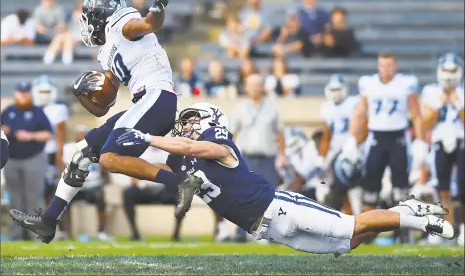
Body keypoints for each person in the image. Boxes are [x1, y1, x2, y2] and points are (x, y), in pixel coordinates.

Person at [115, 102, 454, 256]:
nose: (184, 124)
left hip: (280, 208)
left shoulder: (219, 145)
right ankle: (402, 209)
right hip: (266, 230)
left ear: (210, 120)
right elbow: (149, 164)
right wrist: (115, 148)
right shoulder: (180, 157)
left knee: (348, 226)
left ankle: (415, 219)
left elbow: (190, 144)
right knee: (348, 243)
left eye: (192, 119)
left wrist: (147, 139)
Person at [10, 0, 181, 244]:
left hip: (157, 98)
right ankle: (48, 221)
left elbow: (147, 24)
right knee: (81, 154)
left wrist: (157, 8)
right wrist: (83, 94)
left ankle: (180, 182)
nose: (88, 24)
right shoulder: (105, 51)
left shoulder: (122, 24)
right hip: (144, 103)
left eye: (89, 17)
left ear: (101, 16)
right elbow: (104, 106)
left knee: (110, 159)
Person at [343, 53, 429, 213]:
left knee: (400, 187)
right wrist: (352, 138)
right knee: (370, 185)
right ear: (378, 66)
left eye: (389, 65)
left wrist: (421, 141)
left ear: (395, 65)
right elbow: (360, 113)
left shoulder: (405, 83)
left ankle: (402, 231)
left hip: (398, 138)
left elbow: (416, 115)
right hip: (376, 138)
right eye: (382, 65)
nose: (386, 69)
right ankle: (368, 231)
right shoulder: (369, 84)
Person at [421, 53, 464, 244]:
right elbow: (425, 123)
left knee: (462, 189)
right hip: (439, 142)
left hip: (462, 142)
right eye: (446, 70)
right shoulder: (430, 91)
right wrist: (439, 103)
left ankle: (462, 229)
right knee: (442, 189)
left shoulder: (462, 92)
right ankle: (444, 229)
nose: (448, 75)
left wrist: (458, 103)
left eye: (452, 70)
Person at [1, 81, 53, 240]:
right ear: (16, 94)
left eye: (26, 92)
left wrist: (30, 136)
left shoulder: (37, 112)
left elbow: (48, 134)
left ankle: (35, 233)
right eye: (20, 92)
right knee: (15, 198)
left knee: (34, 197)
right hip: (12, 159)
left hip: (33, 158)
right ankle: (16, 234)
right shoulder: (8, 111)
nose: (23, 95)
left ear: (30, 94)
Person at [319, 74, 364, 213]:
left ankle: (358, 214)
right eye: (333, 89)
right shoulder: (326, 107)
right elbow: (327, 134)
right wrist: (322, 155)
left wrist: (356, 144)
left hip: (353, 150)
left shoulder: (354, 103)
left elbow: (363, 126)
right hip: (335, 151)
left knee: (354, 185)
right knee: (333, 187)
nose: (335, 92)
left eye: (338, 89)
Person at [63, 125, 113, 241]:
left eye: (84, 135)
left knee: (100, 195)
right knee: (63, 197)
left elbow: (104, 168)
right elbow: (64, 168)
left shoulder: (98, 147)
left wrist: (104, 182)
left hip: (93, 186)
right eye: (80, 135)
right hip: (75, 185)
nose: (82, 137)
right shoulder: (69, 148)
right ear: (75, 136)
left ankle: (101, 231)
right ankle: (66, 233)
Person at [32, 75, 69, 204]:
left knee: (49, 188)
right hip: (31, 154)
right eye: (41, 91)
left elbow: (61, 138)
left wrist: (60, 161)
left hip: (50, 153)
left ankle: (49, 219)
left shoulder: (59, 109)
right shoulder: (29, 109)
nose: (44, 95)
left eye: (47, 91)